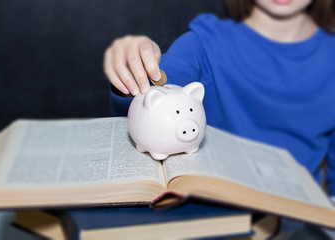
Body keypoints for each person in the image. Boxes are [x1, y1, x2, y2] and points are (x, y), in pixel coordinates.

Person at [103, 0, 335, 201]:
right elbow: (150, 98)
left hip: (300, 219)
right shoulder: (205, 42)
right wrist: (135, 67)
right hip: (215, 213)